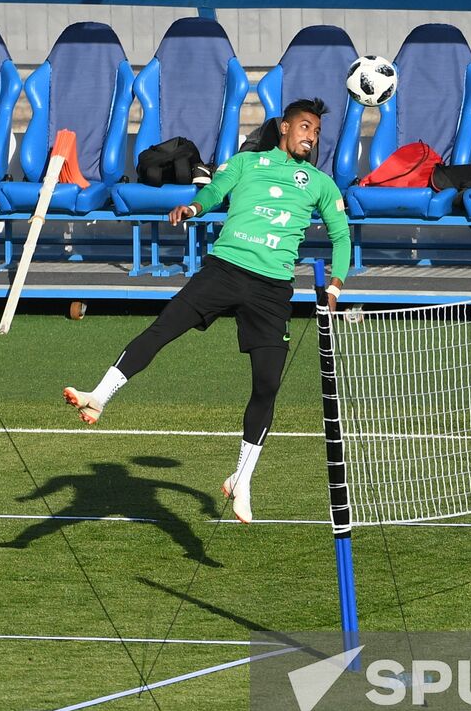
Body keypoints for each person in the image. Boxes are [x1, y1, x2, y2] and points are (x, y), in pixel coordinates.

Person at [63, 99, 351, 523]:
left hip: (272, 289)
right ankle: (98, 397)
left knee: (268, 384)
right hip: (225, 270)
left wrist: (335, 287)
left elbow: (341, 237)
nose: (312, 136)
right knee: (164, 328)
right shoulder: (245, 163)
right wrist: (194, 208)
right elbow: (214, 193)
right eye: (305, 127)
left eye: (317, 131)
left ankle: (242, 479)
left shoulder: (321, 184)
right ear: (285, 127)